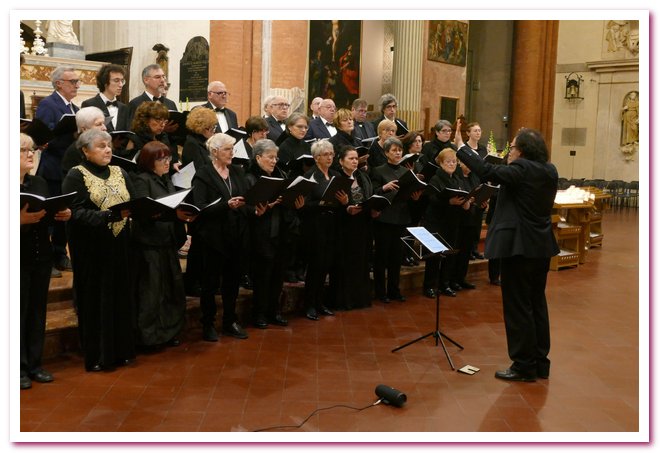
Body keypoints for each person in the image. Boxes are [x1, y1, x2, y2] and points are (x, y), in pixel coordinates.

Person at [457, 128, 559, 382]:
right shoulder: (550, 170)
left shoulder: (522, 169)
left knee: (517, 306)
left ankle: (523, 365)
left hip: (519, 248)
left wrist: (462, 149)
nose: (509, 151)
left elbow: (489, 172)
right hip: (541, 246)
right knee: (536, 303)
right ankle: (539, 362)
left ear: (522, 151)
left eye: (512, 147)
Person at [61, 129, 135, 372]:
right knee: (96, 299)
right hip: (92, 248)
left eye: (109, 145)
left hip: (120, 244)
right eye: (101, 146)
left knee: (121, 296)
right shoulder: (76, 175)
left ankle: (122, 350)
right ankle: (98, 355)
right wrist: (108, 216)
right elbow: (76, 213)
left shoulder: (120, 171)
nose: (107, 150)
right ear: (85, 150)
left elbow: (132, 201)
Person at [20, 133, 71, 389]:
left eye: (31, 150)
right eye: (23, 151)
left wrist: (61, 213)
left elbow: (45, 213)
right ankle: (16, 367)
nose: (31, 154)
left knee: (37, 312)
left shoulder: (38, 182)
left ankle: (35, 364)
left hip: (40, 256)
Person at [191, 133, 250, 342]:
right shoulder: (203, 175)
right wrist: (227, 205)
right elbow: (200, 207)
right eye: (227, 149)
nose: (232, 153)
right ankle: (208, 323)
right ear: (214, 152)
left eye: (232, 148)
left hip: (236, 234)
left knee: (232, 282)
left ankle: (230, 321)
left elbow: (247, 197)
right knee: (210, 283)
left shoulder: (237, 171)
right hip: (213, 238)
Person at [132, 141, 191, 348]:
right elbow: (144, 211)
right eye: (161, 159)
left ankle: (168, 331)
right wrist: (172, 214)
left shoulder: (166, 180)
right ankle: (149, 336)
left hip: (168, 240)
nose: (167, 163)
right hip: (149, 243)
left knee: (171, 289)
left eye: (168, 158)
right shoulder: (142, 180)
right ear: (149, 161)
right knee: (152, 292)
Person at [245, 139, 304, 328]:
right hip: (262, 233)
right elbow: (246, 205)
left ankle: (274, 311)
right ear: (258, 157)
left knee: (278, 275)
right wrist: (262, 207)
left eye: (275, 157)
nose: (274, 161)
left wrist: (295, 203)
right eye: (270, 157)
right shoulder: (250, 178)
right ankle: (259, 314)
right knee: (263, 277)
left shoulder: (281, 174)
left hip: (282, 232)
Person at [35, 65, 80, 276]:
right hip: (53, 167)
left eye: (78, 81)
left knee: (64, 214)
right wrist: (65, 133)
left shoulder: (75, 109)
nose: (77, 85)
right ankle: (48, 258)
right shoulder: (48, 104)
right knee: (50, 216)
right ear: (59, 83)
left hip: (69, 167)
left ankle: (61, 253)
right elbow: (41, 137)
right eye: (73, 81)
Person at [301, 140, 349, 320]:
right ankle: (309, 305)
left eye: (331, 154)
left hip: (333, 225)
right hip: (315, 226)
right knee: (315, 267)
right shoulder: (310, 177)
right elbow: (303, 205)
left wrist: (345, 202)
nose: (330, 157)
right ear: (316, 158)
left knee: (327, 265)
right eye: (325, 155)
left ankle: (320, 303)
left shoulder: (336, 175)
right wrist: (321, 204)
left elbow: (343, 200)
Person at [370, 137, 423, 303]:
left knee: (396, 257)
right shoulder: (378, 170)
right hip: (384, 218)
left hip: (402, 218)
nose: (398, 153)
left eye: (399, 150)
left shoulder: (406, 172)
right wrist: (384, 188)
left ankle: (394, 289)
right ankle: (380, 291)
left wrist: (416, 197)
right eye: (394, 150)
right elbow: (373, 192)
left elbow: (410, 196)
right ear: (386, 153)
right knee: (382, 257)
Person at [421, 148, 471, 298]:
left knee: (449, 254)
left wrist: (465, 203)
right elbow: (431, 199)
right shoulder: (436, 178)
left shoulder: (457, 179)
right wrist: (449, 201)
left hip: (452, 221)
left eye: (454, 161)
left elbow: (464, 195)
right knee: (434, 256)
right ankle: (429, 286)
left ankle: (445, 284)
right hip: (436, 221)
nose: (452, 164)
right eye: (448, 161)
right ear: (441, 163)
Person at [330, 145, 374, 310]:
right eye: (351, 158)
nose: (355, 161)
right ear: (341, 161)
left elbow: (368, 196)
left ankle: (359, 299)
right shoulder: (337, 178)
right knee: (344, 263)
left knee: (360, 262)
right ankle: (344, 300)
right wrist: (345, 206)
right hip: (343, 226)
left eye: (356, 158)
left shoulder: (362, 176)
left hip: (362, 224)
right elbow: (331, 203)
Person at [131, 101, 180, 171]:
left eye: (164, 121)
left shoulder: (163, 136)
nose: (163, 124)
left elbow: (169, 158)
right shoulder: (135, 139)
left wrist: (173, 165)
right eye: (158, 120)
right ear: (145, 120)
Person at [81, 64, 130, 133]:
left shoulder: (124, 107)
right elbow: (87, 133)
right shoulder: (89, 104)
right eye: (116, 80)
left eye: (122, 81)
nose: (121, 85)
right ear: (105, 82)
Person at [61, 106, 108, 176]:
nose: (105, 128)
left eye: (103, 123)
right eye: (99, 124)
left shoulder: (105, 145)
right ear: (84, 129)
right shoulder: (75, 151)